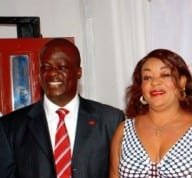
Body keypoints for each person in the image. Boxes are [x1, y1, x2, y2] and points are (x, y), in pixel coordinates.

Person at [0, 38, 125, 178]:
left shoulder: (110, 120)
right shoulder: (10, 127)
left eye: (62, 67)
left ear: (78, 72)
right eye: (46, 67)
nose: (52, 73)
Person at [109, 48, 192, 177]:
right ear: (141, 87)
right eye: (147, 77)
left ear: (182, 82)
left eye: (165, 75)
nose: (155, 82)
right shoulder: (123, 131)